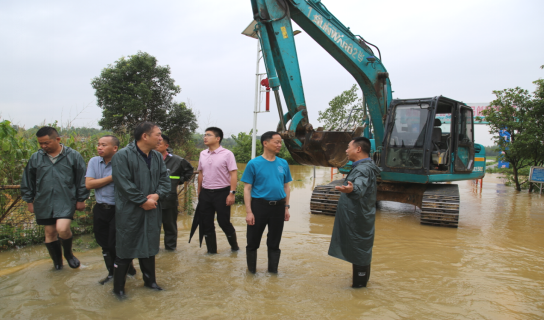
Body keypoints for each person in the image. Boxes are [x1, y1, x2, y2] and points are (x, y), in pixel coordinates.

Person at [111, 122, 170, 298]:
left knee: (150, 244)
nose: (161, 138)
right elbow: (123, 184)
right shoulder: (122, 156)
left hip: (152, 208)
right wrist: (141, 201)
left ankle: (150, 282)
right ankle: (118, 289)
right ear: (145, 136)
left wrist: (157, 196)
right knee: (125, 246)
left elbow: (165, 181)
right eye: (158, 134)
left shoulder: (157, 157)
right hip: (129, 210)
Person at [21, 126, 89, 270]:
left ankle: (69, 254)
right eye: (41, 144)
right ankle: (57, 264)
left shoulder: (73, 156)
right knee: (50, 232)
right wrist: (29, 201)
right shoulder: (36, 157)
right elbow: (28, 180)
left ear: (57, 139)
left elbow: (81, 179)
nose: (44, 146)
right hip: (43, 201)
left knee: (62, 229)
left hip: (66, 199)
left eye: (46, 143)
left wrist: (81, 199)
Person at [328, 137, 380, 288]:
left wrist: (352, 189)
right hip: (361, 216)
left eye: (348, 147)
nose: (346, 150)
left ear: (358, 149)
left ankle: (359, 289)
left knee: (359, 250)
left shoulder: (363, 169)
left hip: (358, 218)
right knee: (360, 249)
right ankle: (361, 287)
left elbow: (359, 186)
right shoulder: (363, 166)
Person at [85, 135, 136, 284]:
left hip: (119, 209)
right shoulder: (94, 161)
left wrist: (99, 181)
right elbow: (89, 184)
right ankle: (112, 273)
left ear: (115, 148)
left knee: (116, 243)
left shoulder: (124, 162)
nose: (99, 147)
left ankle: (125, 269)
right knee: (104, 243)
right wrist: (113, 177)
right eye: (99, 144)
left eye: (104, 145)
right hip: (101, 208)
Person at [241, 131, 292, 273]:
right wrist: (249, 212)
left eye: (280, 142)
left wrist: (286, 207)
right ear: (265, 143)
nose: (279, 145)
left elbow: (286, 186)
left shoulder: (283, 163)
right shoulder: (254, 163)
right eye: (276, 142)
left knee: (274, 243)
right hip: (259, 207)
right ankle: (251, 274)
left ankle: (273, 274)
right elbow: (247, 188)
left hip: (278, 207)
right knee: (252, 242)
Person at [193, 127, 239, 253]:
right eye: (205, 135)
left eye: (208, 135)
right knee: (206, 223)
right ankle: (211, 252)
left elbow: (233, 174)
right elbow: (201, 173)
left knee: (223, 222)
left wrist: (232, 193)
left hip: (222, 193)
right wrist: (199, 192)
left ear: (218, 138)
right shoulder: (202, 154)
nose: (205, 137)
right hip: (206, 193)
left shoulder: (227, 154)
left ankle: (235, 248)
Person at [155, 134, 194, 250]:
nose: (156, 146)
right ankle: (152, 250)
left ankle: (170, 251)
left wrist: (179, 180)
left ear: (166, 146)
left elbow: (189, 171)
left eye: (159, 143)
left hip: (169, 199)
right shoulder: (148, 158)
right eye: (155, 143)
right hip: (151, 199)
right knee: (152, 227)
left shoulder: (177, 160)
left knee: (170, 226)